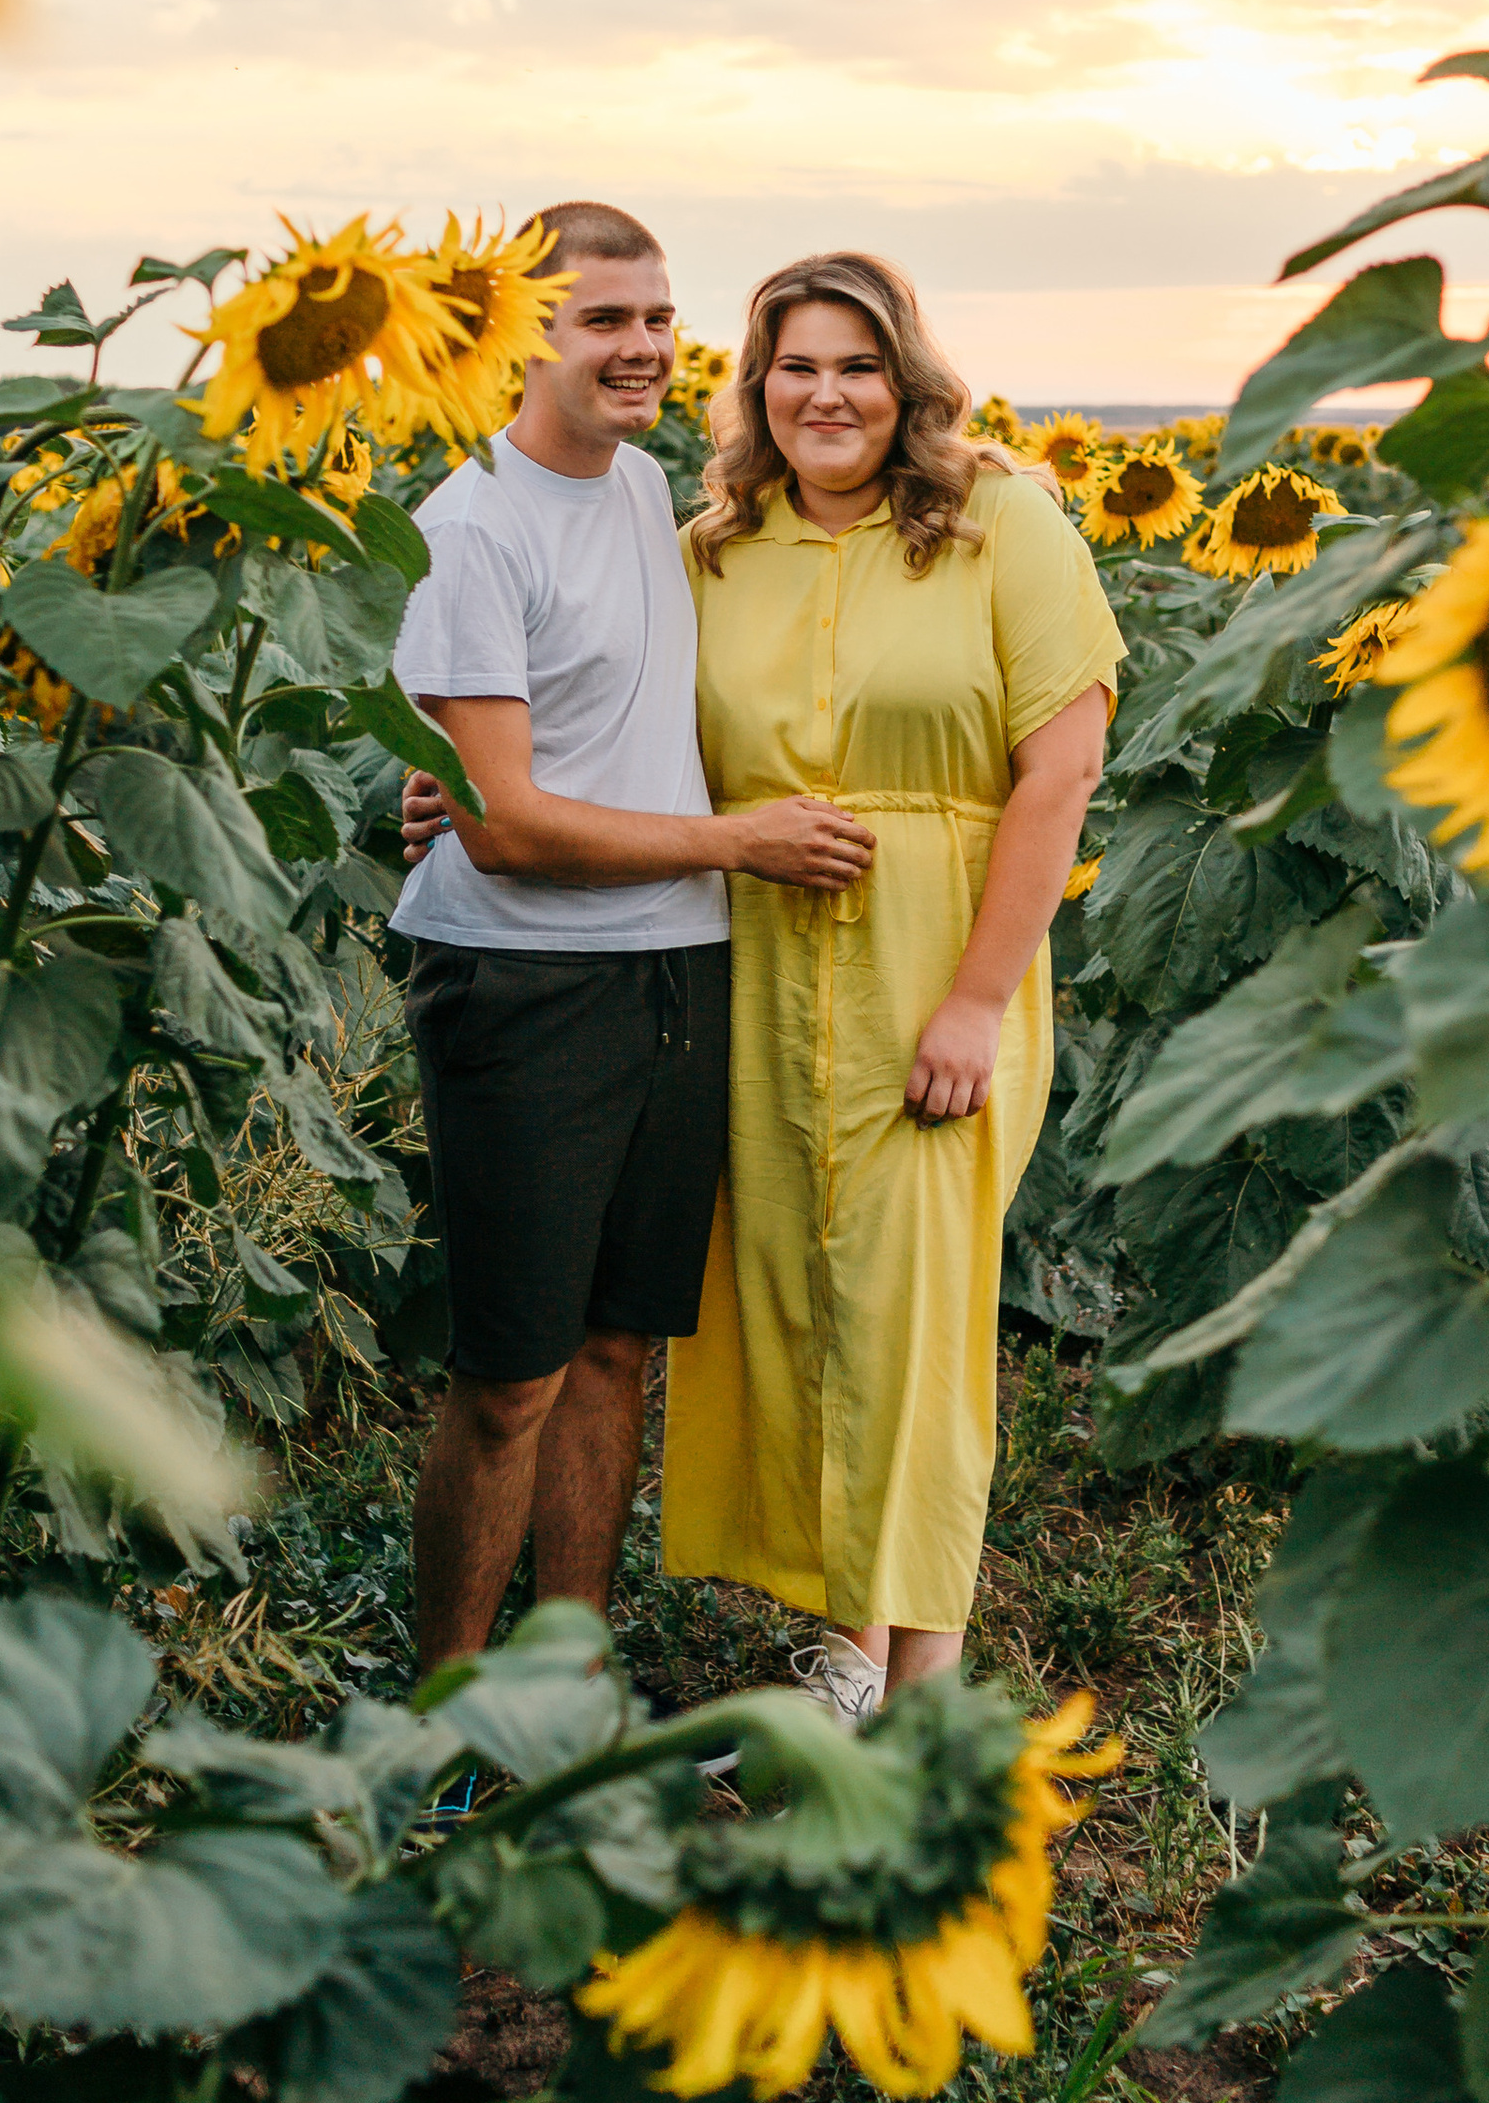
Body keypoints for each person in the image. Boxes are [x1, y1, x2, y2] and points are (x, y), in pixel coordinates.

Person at [386, 201, 872, 1673]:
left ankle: (567, 1687)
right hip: (525, 982)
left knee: (615, 1348)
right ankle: (448, 1722)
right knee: (511, 1379)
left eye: (658, 316)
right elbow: (508, 830)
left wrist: (460, 784)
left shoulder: (646, 489)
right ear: (522, 337)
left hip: (676, 967)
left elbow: (561, 743)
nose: (645, 346)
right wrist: (740, 843)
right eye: (605, 319)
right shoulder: (471, 527)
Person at [660, 252, 1122, 1719]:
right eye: (795, 366)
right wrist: (466, 795)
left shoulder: (1001, 524)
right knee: (799, 1298)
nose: (827, 395)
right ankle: (851, 1649)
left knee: (914, 1311)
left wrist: (977, 1000)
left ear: (907, 380)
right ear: (756, 390)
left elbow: (1061, 772)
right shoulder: (713, 549)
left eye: (857, 365)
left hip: (937, 963)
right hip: (757, 968)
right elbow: (621, 728)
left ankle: (925, 1690)